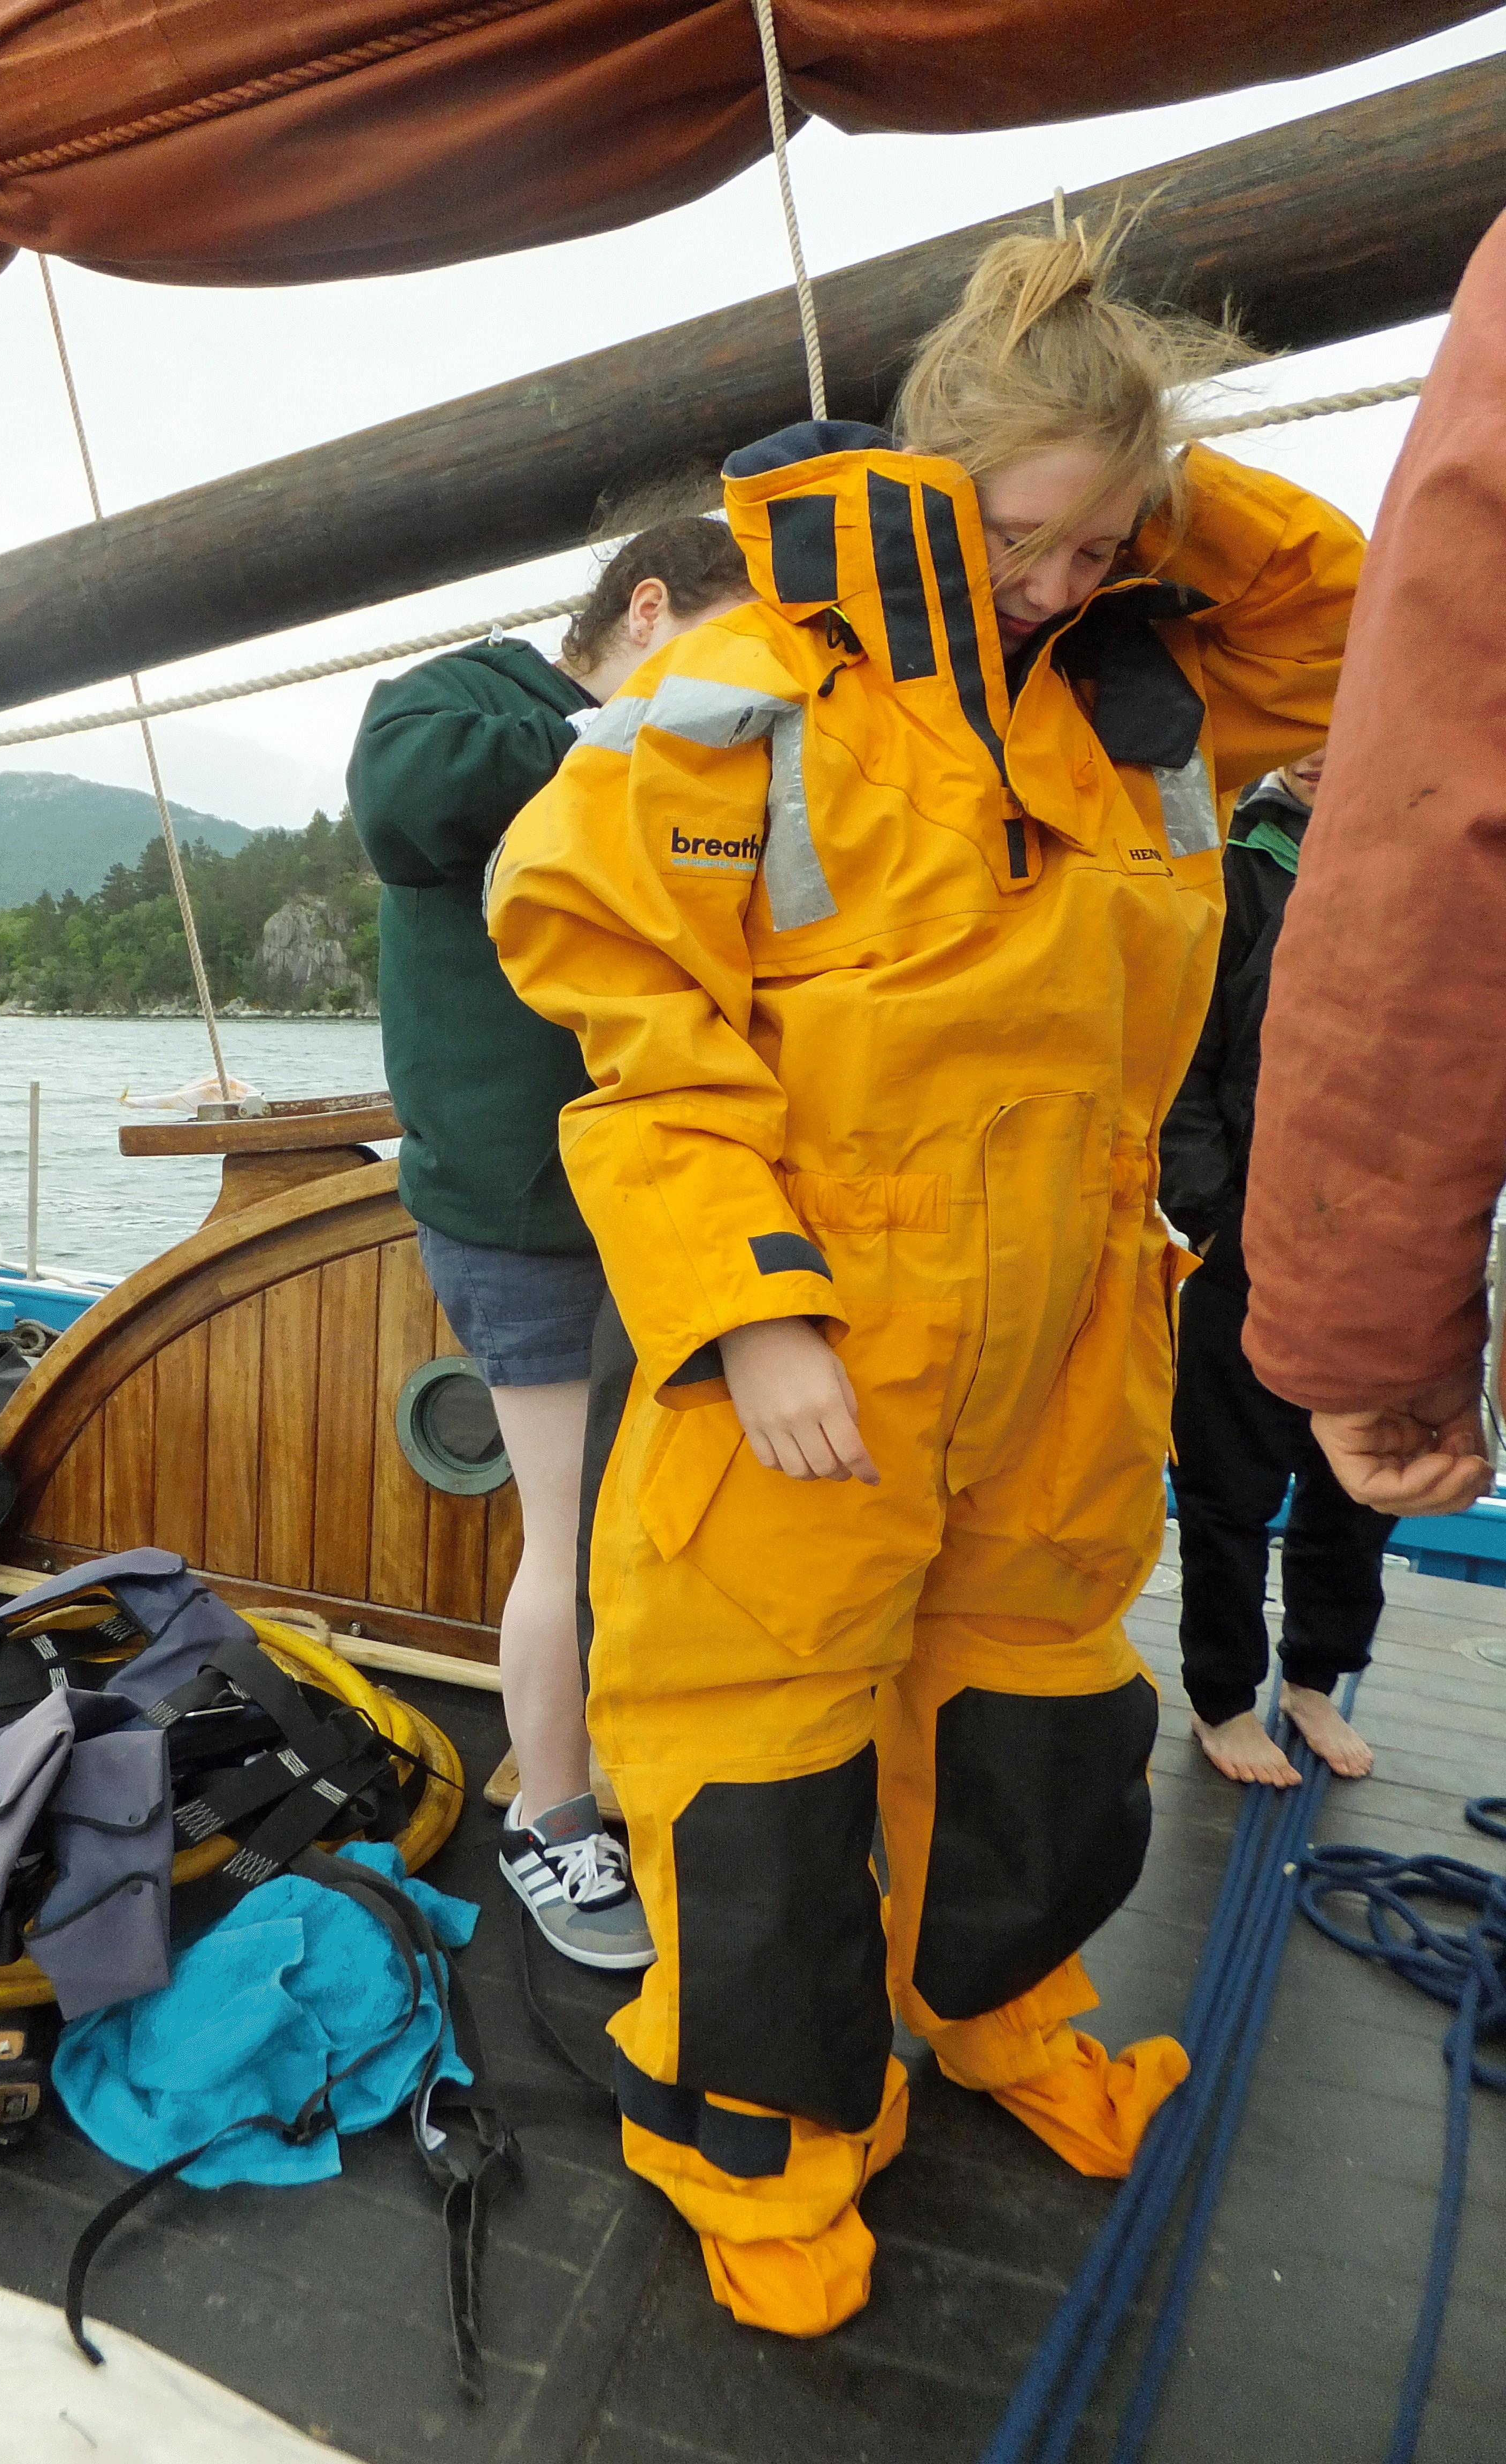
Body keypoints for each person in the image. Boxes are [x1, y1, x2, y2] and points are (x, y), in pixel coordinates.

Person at [488, 219, 1363, 2337]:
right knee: (763, 1745)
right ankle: (759, 2145)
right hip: (823, 1320)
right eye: (1023, 537)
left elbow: (1362, 619)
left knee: (1039, 1694)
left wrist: (1131, 443)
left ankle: (998, 2011)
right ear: (917, 482)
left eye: (1102, 547)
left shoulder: (1148, 701)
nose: (1063, 586)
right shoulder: (741, 697)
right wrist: (755, 1310)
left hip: (1073, 1313)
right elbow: (632, 1033)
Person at [347, 519, 754, 1971]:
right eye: (727, 655)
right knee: (574, 1535)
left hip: (678, 1196)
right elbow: (403, 808)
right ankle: (554, 1819)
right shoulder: (464, 703)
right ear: (648, 609)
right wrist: (631, 733)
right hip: (524, 1211)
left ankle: (643, 1768)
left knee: (673, 1526)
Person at [1242, 211, 1505, 1521]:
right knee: (1236, 1506)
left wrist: (1360, 1328)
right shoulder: (1246, 855)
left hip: (1296, 1232)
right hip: (1203, 1238)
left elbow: (1441, 831)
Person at [1160, 745, 1392, 1787]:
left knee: (1360, 1481)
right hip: (1247, 1241)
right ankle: (1221, 1695)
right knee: (1227, 1484)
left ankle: (1317, 1674)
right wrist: (1215, 1217)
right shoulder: (1231, 862)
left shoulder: (1425, 860)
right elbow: (1187, 1058)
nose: (1318, 743)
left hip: (1382, 1246)